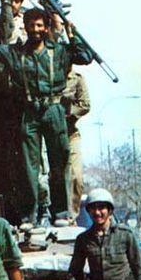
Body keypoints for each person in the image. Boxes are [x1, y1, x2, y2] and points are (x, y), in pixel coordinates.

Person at [0, 0, 93, 229]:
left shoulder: (61, 51)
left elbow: (86, 57)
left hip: (54, 110)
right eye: (31, 25)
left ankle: (61, 212)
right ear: (25, 27)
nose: (35, 30)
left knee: (59, 161)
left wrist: (72, 35)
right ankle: (28, 216)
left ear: (46, 27)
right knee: (28, 166)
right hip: (29, 112)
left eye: (39, 25)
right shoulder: (16, 53)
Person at [61, 69, 90, 220]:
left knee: (76, 177)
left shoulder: (76, 78)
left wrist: (67, 112)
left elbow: (85, 104)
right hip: (47, 134)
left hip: (70, 133)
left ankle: (71, 217)